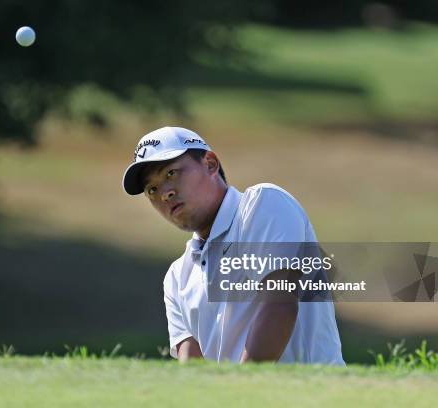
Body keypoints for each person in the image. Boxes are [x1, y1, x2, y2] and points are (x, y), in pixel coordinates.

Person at [122, 126, 345, 364]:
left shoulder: (263, 205)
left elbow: (280, 305)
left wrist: (239, 392)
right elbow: (192, 366)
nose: (165, 193)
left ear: (210, 164)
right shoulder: (177, 277)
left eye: (171, 173)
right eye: (152, 189)